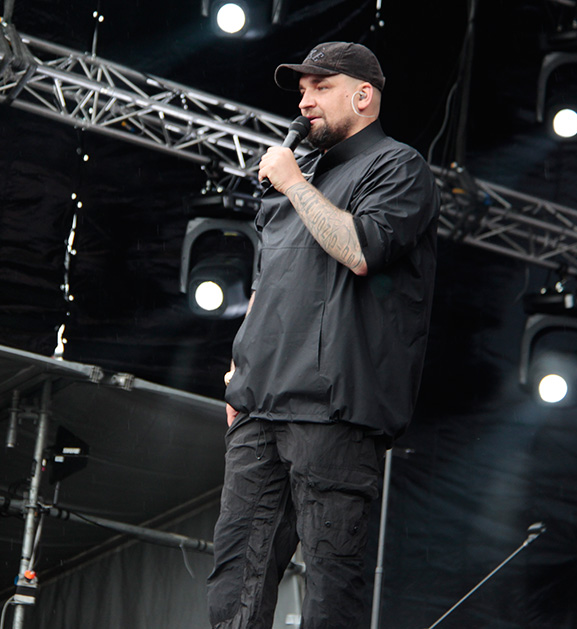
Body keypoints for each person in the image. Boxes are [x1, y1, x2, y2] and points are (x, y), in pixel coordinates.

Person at [206, 42, 440, 628]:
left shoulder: (398, 166)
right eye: (302, 91)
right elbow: (268, 282)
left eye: (321, 87)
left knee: (330, 586)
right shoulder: (300, 175)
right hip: (259, 404)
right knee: (236, 579)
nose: (305, 101)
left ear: (363, 96)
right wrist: (239, 366)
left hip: (333, 411)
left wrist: (293, 185)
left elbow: (361, 250)